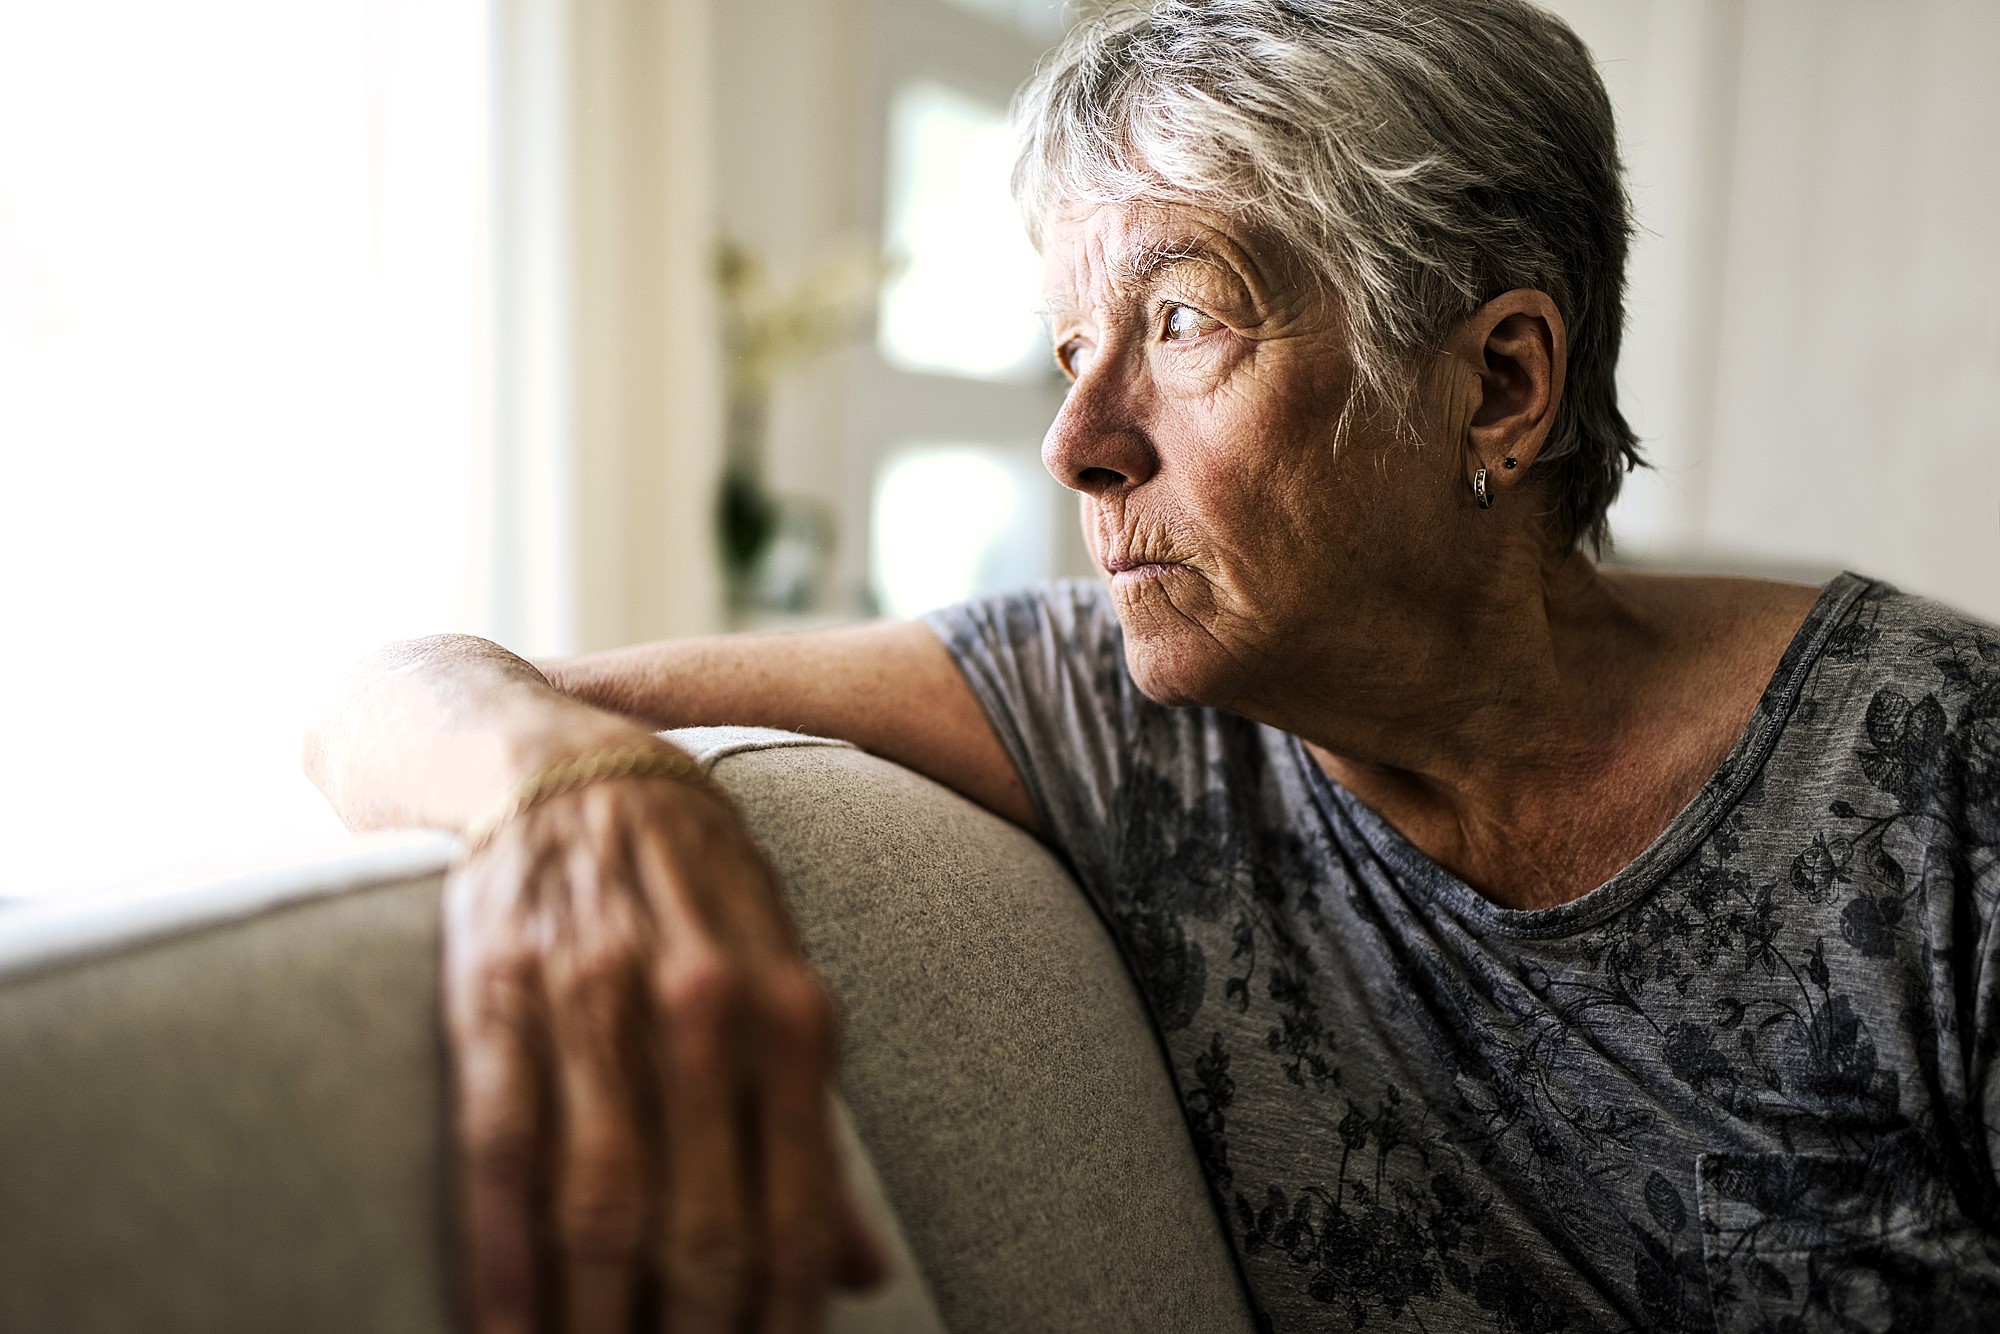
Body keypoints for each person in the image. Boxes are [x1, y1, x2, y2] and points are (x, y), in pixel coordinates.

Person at [306, 0, 2000, 1330]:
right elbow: (384, 696)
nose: (1074, 440)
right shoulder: (1120, 713)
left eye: (1183, 320)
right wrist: (566, 787)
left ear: (1496, 387)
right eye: (1069, 345)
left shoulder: (1943, 779)